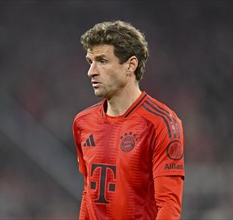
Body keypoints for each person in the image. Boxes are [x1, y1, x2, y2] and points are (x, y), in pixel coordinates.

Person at [72, 20, 185, 219]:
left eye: (102, 61)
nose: (91, 71)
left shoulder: (162, 123)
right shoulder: (82, 122)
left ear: (131, 65)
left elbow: (168, 205)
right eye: (90, 62)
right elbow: (88, 193)